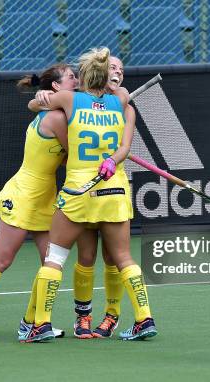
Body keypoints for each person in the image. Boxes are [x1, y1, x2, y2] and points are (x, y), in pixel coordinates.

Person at [21, 46, 156, 343]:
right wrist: (112, 159)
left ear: (83, 77)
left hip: (79, 191)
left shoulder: (69, 99)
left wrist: (41, 98)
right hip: (114, 189)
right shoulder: (121, 101)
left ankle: (41, 323)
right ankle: (144, 317)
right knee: (124, 257)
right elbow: (123, 141)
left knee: (54, 257)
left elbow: (34, 105)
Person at [0, 64, 78, 341]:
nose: (77, 81)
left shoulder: (57, 112)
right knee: (1, 260)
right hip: (23, 194)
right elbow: (76, 156)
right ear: (55, 87)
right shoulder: (56, 118)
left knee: (50, 262)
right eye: (71, 77)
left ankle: (32, 324)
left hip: (45, 196)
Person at [37, 56, 130, 339]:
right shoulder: (84, 100)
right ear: (101, 73)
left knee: (113, 259)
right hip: (87, 193)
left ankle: (111, 316)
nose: (117, 72)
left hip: (108, 192)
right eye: (112, 68)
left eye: (121, 70)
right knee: (87, 257)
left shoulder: (122, 103)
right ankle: (83, 317)